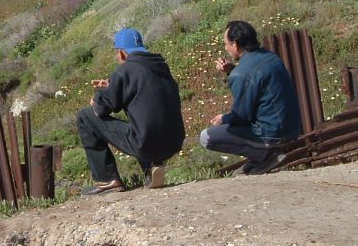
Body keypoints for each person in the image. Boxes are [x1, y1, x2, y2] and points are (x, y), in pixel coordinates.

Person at [77, 27, 185, 195]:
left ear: (121, 53)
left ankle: (107, 180)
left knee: (86, 116)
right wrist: (111, 87)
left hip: (147, 143)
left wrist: (98, 96)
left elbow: (100, 111)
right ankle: (152, 168)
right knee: (144, 120)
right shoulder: (161, 67)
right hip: (174, 141)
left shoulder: (125, 71)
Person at [200, 20, 302, 175]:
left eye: (226, 44)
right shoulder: (270, 57)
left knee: (206, 137)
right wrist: (232, 70)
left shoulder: (241, 74)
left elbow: (242, 117)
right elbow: (257, 81)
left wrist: (224, 119)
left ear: (235, 44)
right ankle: (263, 155)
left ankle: (265, 155)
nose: (225, 48)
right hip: (291, 128)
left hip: (272, 133)